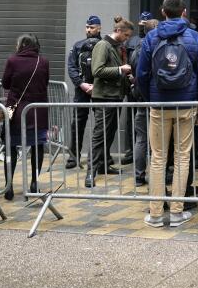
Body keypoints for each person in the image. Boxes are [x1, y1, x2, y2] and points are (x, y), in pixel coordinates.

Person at [136, 0, 198, 228]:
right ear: (184, 12)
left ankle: (156, 214)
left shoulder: (151, 37)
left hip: (159, 105)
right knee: (182, 157)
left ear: (163, 11)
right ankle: (177, 212)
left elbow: (141, 74)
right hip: (186, 105)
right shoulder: (194, 37)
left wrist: (151, 99)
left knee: (158, 159)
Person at [85, 16, 135, 188]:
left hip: (115, 96)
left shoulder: (117, 47)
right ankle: (90, 172)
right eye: (126, 35)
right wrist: (121, 69)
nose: (127, 39)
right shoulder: (103, 45)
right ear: (118, 31)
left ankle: (103, 165)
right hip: (104, 97)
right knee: (100, 135)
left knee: (109, 133)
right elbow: (97, 70)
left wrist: (128, 77)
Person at [1, 33, 49, 200]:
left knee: (10, 147)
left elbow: (5, 83)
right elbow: (46, 82)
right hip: (38, 111)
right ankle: (34, 182)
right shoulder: (43, 62)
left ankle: (9, 187)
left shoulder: (12, 60)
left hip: (15, 111)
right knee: (38, 146)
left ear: (21, 45)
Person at [65, 15, 101, 169]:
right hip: (82, 91)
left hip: (100, 91)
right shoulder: (78, 46)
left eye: (91, 27)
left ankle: (102, 158)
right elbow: (72, 68)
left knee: (102, 126)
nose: (88, 30)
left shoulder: (104, 45)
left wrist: (96, 86)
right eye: (87, 27)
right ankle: (73, 158)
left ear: (99, 28)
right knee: (77, 124)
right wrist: (82, 84)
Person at [128, 18, 158, 187]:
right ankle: (156, 176)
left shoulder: (137, 48)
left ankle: (139, 176)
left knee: (141, 139)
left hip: (141, 98)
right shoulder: (153, 48)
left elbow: (134, 72)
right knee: (158, 141)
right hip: (153, 99)